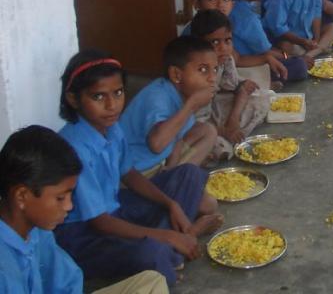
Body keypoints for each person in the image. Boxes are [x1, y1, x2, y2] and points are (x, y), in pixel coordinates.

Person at [54, 53, 220, 288]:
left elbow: (128, 174)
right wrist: (166, 235)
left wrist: (170, 204)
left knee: (188, 175)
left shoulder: (110, 128)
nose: (112, 105)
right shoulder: (74, 147)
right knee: (148, 252)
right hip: (85, 235)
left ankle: (173, 244)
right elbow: (100, 222)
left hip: (117, 208)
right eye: (98, 96)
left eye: (118, 93)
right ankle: (172, 245)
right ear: (73, 99)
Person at [0, 125, 170, 294]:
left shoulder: (37, 232)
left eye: (70, 196)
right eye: (60, 198)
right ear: (22, 196)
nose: (69, 206)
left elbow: (69, 281)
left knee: (151, 282)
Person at [119, 36, 219, 175]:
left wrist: (171, 168)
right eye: (203, 70)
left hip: (159, 162)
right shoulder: (157, 97)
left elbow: (177, 135)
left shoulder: (183, 94)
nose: (212, 77)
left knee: (207, 131)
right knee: (205, 198)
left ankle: (175, 178)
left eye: (215, 69)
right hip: (136, 173)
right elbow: (156, 145)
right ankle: (173, 182)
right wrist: (191, 105)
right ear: (176, 74)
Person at [189, 10, 271, 161]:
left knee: (261, 98)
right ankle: (225, 141)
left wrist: (233, 119)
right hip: (196, 122)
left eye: (227, 40)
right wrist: (224, 131)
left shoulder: (226, 60)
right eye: (214, 42)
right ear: (198, 44)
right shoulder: (196, 76)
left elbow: (236, 88)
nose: (223, 47)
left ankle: (232, 132)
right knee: (219, 147)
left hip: (215, 106)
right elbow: (193, 123)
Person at [223, 0, 309, 86]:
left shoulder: (235, 7)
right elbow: (265, 51)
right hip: (248, 64)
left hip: (247, 55)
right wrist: (288, 57)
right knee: (299, 66)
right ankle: (266, 81)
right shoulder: (248, 18)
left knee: (278, 38)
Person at [187, 0, 289, 83]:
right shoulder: (196, 30)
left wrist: (266, 58)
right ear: (196, 4)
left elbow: (237, 58)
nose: (220, 5)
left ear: (232, 4)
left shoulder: (223, 24)